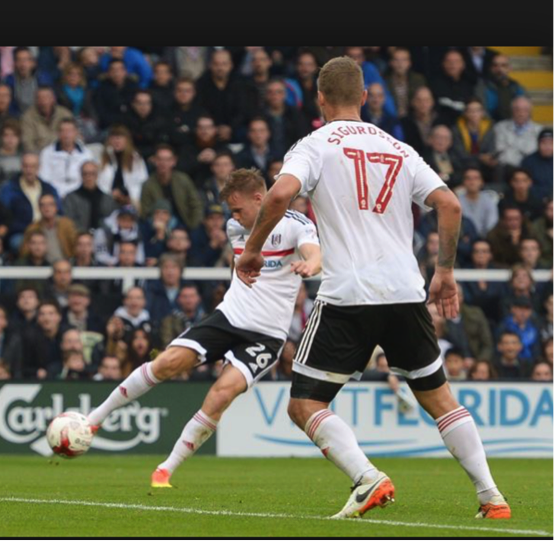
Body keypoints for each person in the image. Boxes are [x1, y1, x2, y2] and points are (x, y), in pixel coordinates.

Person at [235, 56, 509, 520]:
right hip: (405, 291)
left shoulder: (315, 144)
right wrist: (443, 270)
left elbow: (280, 195)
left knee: (304, 404)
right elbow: (449, 204)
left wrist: (253, 250)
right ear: (364, 97)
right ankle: (492, 497)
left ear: (320, 100)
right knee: (441, 401)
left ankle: (367, 478)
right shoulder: (399, 147)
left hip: (349, 294)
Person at [88, 168, 320, 489]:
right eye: (232, 212)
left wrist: (310, 265)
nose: (234, 217)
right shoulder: (235, 228)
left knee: (219, 395)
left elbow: (314, 252)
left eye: (238, 209)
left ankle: (165, 470)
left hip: (266, 336)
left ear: (260, 199)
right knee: (166, 362)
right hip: (228, 317)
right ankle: (93, 421)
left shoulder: (297, 226)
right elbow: (238, 264)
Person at [140, 145, 203, 230]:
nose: (163, 163)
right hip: (159, 226)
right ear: (154, 161)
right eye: (160, 159)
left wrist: (194, 226)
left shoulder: (183, 179)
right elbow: (146, 212)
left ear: (174, 161)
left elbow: (195, 204)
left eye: (167, 160)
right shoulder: (148, 184)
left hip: (186, 223)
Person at [38, 119, 94, 198]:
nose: (66, 135)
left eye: (70, 131)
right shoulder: (47, 153)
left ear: (76, 133)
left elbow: (89, 178)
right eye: (63, 131)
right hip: (55, 196)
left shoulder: (86, 154)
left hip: (80, 196)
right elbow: (44, 178)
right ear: (58, 133)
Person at [97, 125, 149, 208]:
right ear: (109, 140)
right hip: (107, 199)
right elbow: (98, 182)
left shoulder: (136, 159)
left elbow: (143, 181)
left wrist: (130, 196)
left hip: (131, 199)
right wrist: (110, 194)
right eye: (114, 138)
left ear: (127, 140)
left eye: (120, 138)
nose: (117, 141)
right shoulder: (102, 159)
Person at [21, 194, 77, 263]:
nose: (46, 208)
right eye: (43, 205)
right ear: (39, 208)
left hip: (64, 266)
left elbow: (75, 245)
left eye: (50, 204)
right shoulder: (32, 228)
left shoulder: (67, 225)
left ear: (56, 207)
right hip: (41, 266)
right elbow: (24, 251)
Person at [65, 161, 117, 232]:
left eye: (92, 174)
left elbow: (112, 222)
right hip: (79, 238)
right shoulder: (70, 198)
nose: (88, 177)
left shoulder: (107, 199)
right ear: (81, 175)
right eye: (85, 174)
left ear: (97, 175)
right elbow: (69, 222)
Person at [20, 86, 74, 153]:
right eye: (40, 98)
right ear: (35, 100)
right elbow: (27, 143)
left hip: (64, 154)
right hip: (39, 156)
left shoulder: (65, 114)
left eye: (47, 97)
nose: (44, 101)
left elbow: (75, 136)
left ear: (53, 99)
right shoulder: (28, 117)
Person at [494, 96, 542, 168]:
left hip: (531, 169)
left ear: (530, 112)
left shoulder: (540, 130)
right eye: (517, 109)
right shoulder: (499, 128)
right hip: (506, 169)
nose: (521, 113)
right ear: (512, 110)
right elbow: (499, 152)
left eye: (525, 110)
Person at [94, 59, 139, 130]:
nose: (117, 73)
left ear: (125, 72)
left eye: (120, 69)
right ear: (108, 73)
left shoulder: (134, 87)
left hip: (133, 126)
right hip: (110, 127)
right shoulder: (101, 90)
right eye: (113, 70)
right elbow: (102, 114)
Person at [457, 167, 499, 237]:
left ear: (482, 182)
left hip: (485, 240)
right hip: (465, 239)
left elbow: (492, 224)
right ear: (463, 182)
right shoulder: (457, 201)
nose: (472, 182)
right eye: (468, 178)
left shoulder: (489, 201)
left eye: (476, 178)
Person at [522, 128, 554, 201]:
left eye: (551, 143)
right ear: (538, 144)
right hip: (535, 201)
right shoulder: (528, 161)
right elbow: (524, 185)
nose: (547, 147)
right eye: (544, 143)